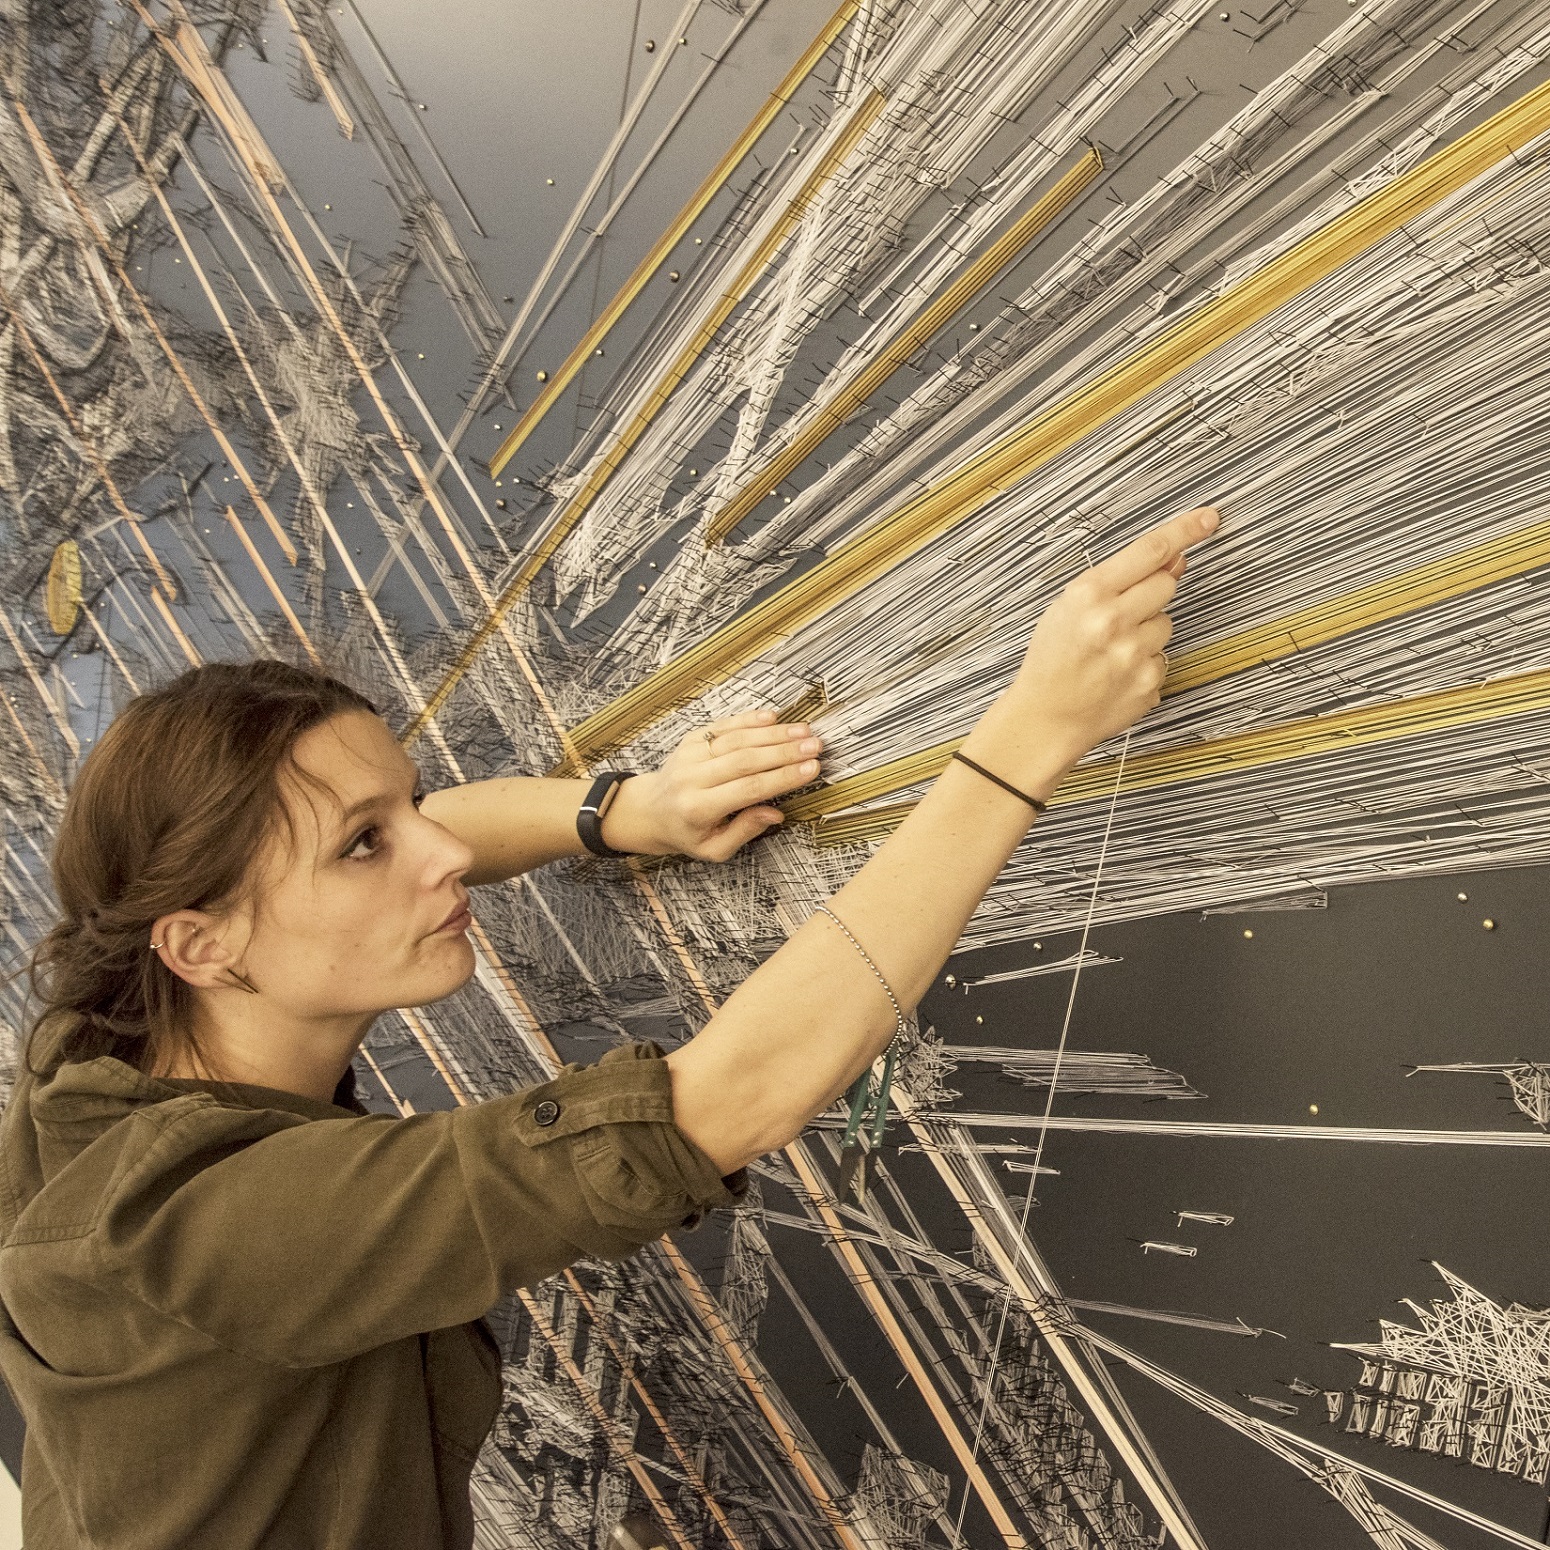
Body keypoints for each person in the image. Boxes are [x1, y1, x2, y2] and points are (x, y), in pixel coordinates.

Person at [0, 504, 1218, 1548]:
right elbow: (727, 1099)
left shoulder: (101, 1037)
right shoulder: (217, 1222)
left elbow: (399, 836)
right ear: (202, 942)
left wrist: (623, 809)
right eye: (369, 844)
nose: (441, 853)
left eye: (410, 801)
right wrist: (1029, 735)